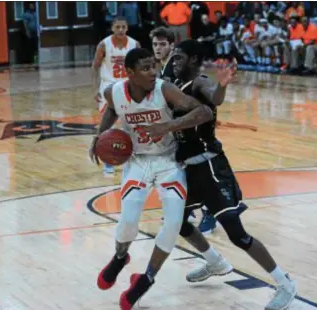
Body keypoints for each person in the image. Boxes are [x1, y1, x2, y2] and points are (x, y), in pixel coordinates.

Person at [142, 40, 297, 310]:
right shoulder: (174, 87)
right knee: (176, 223)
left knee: (237, 234)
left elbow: (214, 97)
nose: (174, 63)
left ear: (193, 60)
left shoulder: (199, 82)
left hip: (210, 167)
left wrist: (222, 85)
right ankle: (214, 261)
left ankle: (285, 283)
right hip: (185, 168)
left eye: (179, 58)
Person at [89, 47, 213, 310]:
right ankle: (121, 257)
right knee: (128, 221)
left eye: (154, 66)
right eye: (145, 68)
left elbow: (204, 112)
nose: (152, 72)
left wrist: (167, 126)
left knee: (172, 224)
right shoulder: (114, 91)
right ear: (130, 72)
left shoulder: (164, 89)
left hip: (169, 162)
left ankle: (146, 279)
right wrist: (99, 137)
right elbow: (111, 109)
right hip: (137, 162)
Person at [150, 26, 216, 233]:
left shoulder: (176, 66)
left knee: (197, 173)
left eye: (163, 44)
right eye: (155, 44)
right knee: (178, 171)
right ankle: (185, 210)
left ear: (172, 45)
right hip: (179, 127)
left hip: (194, 127)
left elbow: (199, 91)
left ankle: (209, 212)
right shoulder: (162, 68)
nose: (158, 48)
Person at [92, 16, 140, 176]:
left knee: (133, 123)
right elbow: (95, 67)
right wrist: (95, 89)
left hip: (128, 86)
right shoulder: (104, 44)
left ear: (127, 28)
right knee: (108, 127)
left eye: (123, 27)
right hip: (108, 87)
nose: (120, 30)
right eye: (117, 27)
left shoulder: (134, 44)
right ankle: (108, 161)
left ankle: (135, 157)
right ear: (112, 28)